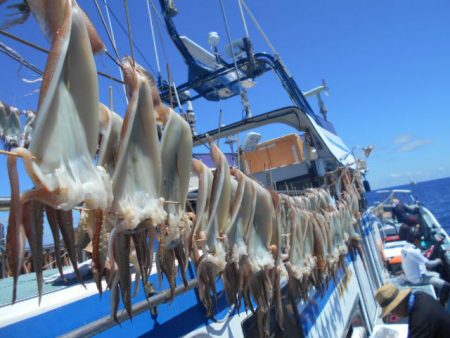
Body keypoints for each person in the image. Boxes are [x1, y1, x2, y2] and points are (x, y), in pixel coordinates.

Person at [375, 283, 450, 338]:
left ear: (397, 305)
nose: (393, 314)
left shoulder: (419, 322)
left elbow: (419, 327)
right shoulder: (420, 295)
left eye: (391, 311)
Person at [401, 238, 450, 305]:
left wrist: (426, 251)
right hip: (418, 279)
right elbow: (429, 265)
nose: (421, 242)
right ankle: (441, 305)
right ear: (416, 240)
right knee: (446, 286)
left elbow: (417, 256)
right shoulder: (413, 252)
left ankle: (436, 296)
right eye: (420, 241)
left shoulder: (405, 249)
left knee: (437, 275)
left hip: (411, 277)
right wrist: (438, 260)